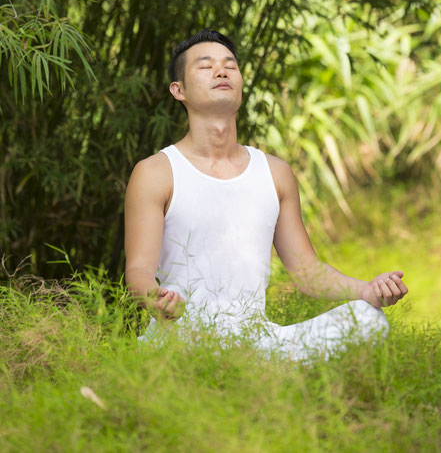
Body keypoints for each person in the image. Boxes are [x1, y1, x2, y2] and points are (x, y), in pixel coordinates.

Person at [124, 28, 408, 362]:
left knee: (367, 320)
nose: (221, 71)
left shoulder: (274, 172)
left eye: (230, 65)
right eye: (205, 66)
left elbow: (306, 272)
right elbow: (139, 270)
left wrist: (367, 290)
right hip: (184, 342)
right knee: (182, 357)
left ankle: (264, 373)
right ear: (179, 90)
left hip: (257, 342)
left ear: (241, 85)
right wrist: (153, 297)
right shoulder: (156, 171)